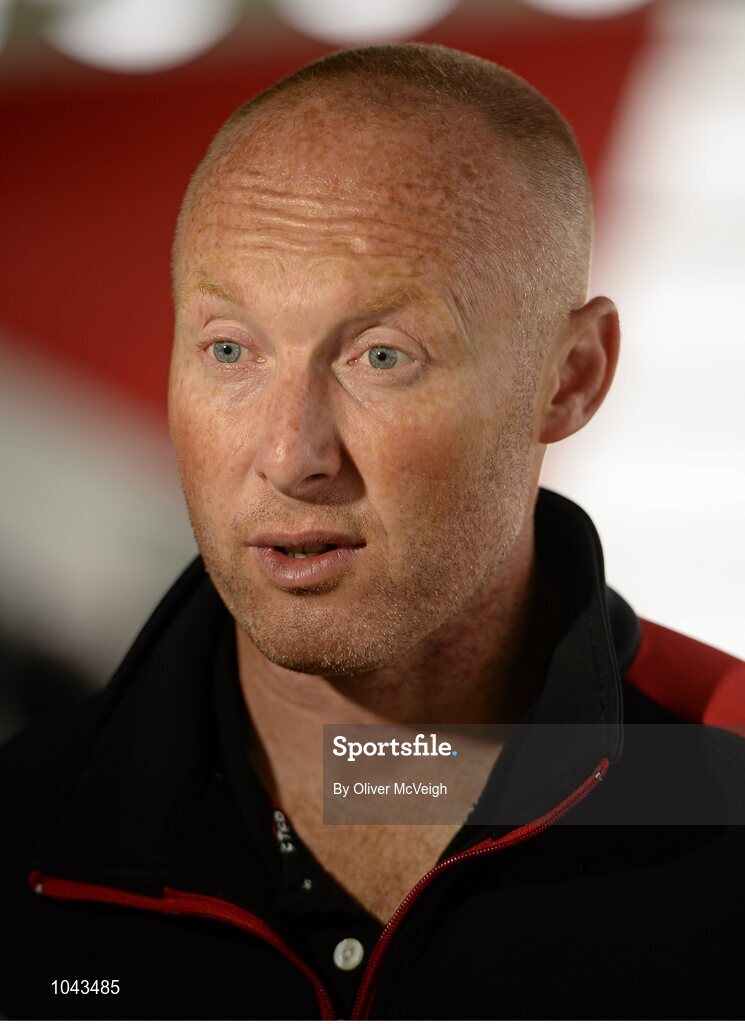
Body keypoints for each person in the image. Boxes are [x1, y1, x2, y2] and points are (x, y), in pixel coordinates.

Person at [1, 42, 743, 1021]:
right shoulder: (22, 838)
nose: (292, 452)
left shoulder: (718, 783)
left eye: (382, 355)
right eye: (230, 348)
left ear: (569, 377)